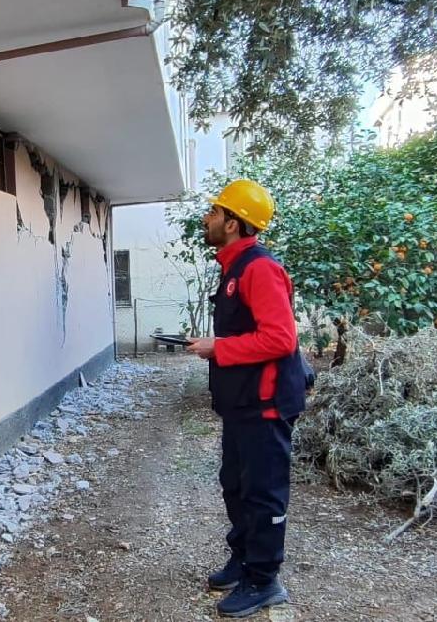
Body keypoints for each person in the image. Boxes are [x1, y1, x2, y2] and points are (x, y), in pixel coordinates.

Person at [186, 179, 309, 618]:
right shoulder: (234, 267)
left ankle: (263, 579)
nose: (207, 218)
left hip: (266, 404)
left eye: (215, 212)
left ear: (234, 223)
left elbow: (280, 339)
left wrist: (218, 347)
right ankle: (243, 560)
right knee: (235, 485)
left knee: (262, 492)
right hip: (242, 404)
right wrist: (216, 345)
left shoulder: (259, 268)